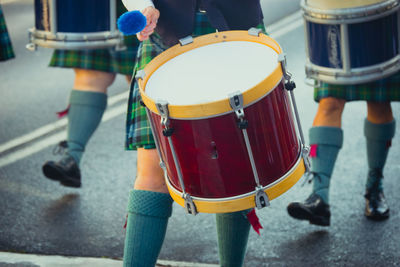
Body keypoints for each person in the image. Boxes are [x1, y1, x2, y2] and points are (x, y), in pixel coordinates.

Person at [121, 0, 265, 266]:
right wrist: (142, 6)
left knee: (237, 168)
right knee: (153, 170)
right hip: (167, 36)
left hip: (237, 31)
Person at [41, 2, 140, 188]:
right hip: (96, 8)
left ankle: (150, 169)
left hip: (142, 8)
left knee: (142, 80)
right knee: (90, 75)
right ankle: (71, 158)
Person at [286, 70, 398, 225]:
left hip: (379, 48)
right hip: (336, 51)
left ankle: (374, 186)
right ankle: (319, 197)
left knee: (379, 102)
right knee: (329, 103)